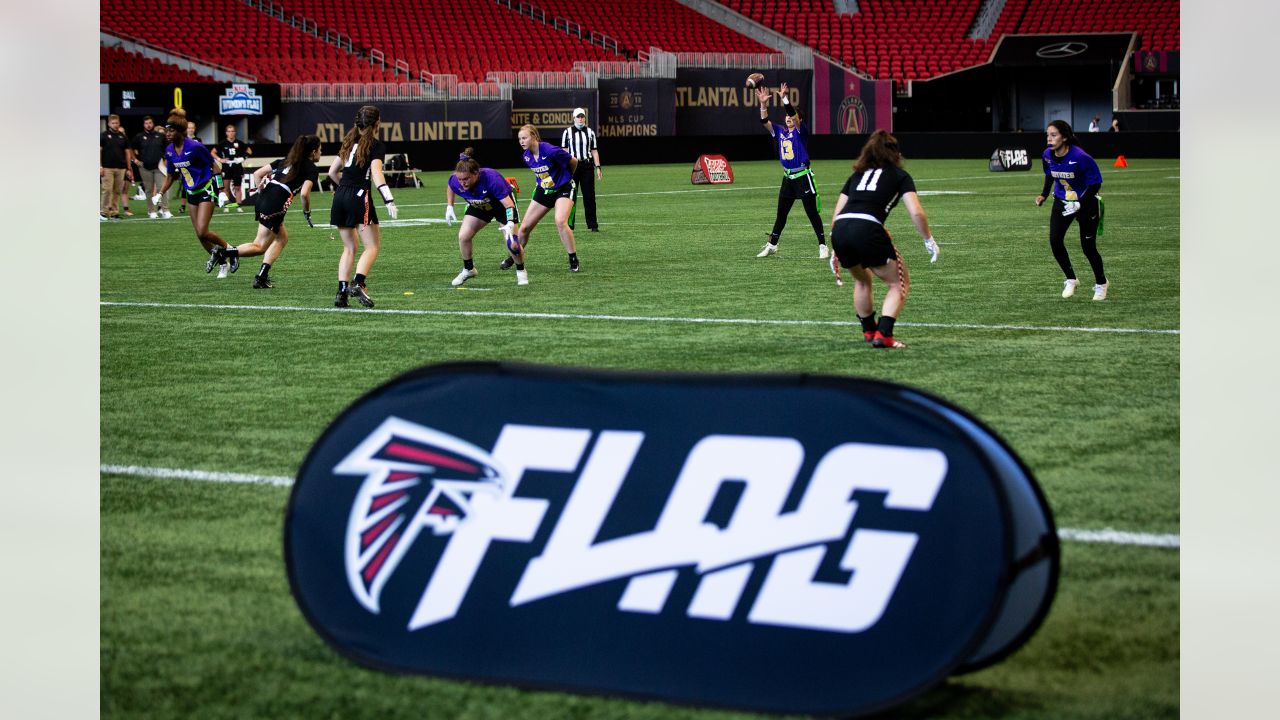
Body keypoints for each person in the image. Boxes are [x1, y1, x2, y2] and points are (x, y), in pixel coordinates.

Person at [829, 129, 939, 349]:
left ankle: (870, 331)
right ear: (895, 153)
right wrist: (928, 239)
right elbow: (916, 212)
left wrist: (836, 248)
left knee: (862, 280)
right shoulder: (900, 176)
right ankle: (884, 334)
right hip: (867, 228)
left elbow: (837, 215)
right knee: (899, 283)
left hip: (841, 229)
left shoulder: (856, 175)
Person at [207, 135, 321, 289]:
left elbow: (257, 174)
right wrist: (307, 212)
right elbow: (304, 193)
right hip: (275, 204)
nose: (320, 152)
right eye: (320, 150)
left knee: (282, 238)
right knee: (259, 246)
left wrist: (262, 193)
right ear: (313, 152)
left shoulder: (286, 160)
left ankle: (261, 277)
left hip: (265, 198)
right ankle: (224, 253)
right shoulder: (311, 168)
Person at [151, 109, 235, 277]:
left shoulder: (195, 147)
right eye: (166, 130)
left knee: (203, 231)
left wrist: (221, 191)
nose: (167, 133)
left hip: (206, 189)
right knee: (199, 235)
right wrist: (160, 193)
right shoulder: (169, 150)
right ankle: (222, 263)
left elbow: (216, 167)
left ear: (180, 132)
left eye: (171, 130)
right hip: (191, 193)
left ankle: (230, 249)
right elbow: (171, 176)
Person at [327, 105, 395, 308]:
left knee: (349, 248)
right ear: (377, 123)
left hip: (340, 197)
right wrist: (388, 198)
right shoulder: (376, 145)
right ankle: (358, 283)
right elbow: (376, 173)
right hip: (359, 196)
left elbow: (331, 172)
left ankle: (341, 293)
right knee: (372, 246)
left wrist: (344, 191)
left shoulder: (349, 142)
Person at [1035, 119, 1108, 300]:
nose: (1049, 139)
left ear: (1065, 137)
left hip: (1086, 203)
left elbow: (1095, 183)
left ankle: (1101, 283)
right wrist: (1044, 194)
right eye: (1047, 135)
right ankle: (1071, 279)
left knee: (1088, 248)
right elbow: (1049, 174)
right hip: (1061, 201)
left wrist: (1080, 203)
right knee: (1055, 240)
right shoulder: (1047, 154)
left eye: (1054, 135)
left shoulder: (1081, 157)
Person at [755, 81, 828, 259]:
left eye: (792, 117)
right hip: (788, 178)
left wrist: (785, 98)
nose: (788, 118)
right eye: (787, 117)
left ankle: (823, 245)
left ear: (798, 119)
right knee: (781, 214)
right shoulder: (780, 131)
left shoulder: (800, 131)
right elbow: (764, 121)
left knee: (812, 213)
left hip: (803, 176)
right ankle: (772, 245)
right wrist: (763, 103)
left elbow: (793, 115)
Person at [445, 148, 527, 286]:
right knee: (463, 236)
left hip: (501, 206)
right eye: (460, 179)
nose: (462, 183)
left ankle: (521, 271)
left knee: (512, 243)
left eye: (466, 179)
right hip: (480, 206)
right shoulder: (455, 180)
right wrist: (450, 206)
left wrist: (510, 223)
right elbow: (450, 186)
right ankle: (469, 269)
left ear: (476, 173)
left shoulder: (491, 179)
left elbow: (508, 204)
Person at [512, 124, 580, 273]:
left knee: (560, 221)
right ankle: (515, 255)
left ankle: (573, 259)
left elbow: (573, 161)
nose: (521, 141)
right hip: (544, 189)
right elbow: (542, 175)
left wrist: (567, 178)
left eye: (524, 138)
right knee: (524, 228)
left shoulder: (550, 151)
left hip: (563, 189)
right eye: (519, 139)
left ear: (534, 137)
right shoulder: (526, 156)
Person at [560, 107, 602, 232]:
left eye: (582, 116)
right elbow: (564, 152)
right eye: (578, 116)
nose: (580, 119)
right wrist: (563, 168)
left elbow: (594, 151)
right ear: (573, 118)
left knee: (589, 196)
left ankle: (592, 224)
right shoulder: (567, 132)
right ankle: (569, 224)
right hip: (572, 167)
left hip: (587, 166)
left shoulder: (590, 132)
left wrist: (598, 167)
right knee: (570, 197)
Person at [131, 115, 172, 219]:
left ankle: (165, 210)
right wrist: (135, 160)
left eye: (150, 123)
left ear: (153, 123)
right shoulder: (139, 137)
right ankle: (151, 211)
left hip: (159, 166)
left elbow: (168, 149)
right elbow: (131, 148)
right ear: (143, 125)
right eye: (146, 123)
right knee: (148, 190)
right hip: (145, 167)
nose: (148, 125)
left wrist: (166, 159)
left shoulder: (160, 136)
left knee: (162, 188)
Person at [212, 123, 253, 210]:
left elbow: (249, 151)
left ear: (235, 132)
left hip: (237, 166)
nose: (230, 133)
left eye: (232, 131)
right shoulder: (222, 143)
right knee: (226, 188)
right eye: (229, 131)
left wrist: (243, 158)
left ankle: (238, 206)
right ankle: (226, 206)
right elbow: (212, 152)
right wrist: (220, 159)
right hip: (227, 166)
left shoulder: (239, 143)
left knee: (237, 187)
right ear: (226, 133)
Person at [100, 114, 131, 221]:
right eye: (113, 123)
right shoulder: (103, 135)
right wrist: (100, 166)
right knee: (107, 189)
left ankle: (114, 212)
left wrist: (128, 168)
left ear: (119, 123)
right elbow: (99, 151)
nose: (115, 125)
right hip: (107, 167)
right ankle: (103, 212)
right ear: (109, 124)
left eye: (117, 123)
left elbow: (127, 153)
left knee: (117, 191)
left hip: (121, 167)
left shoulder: (123, 137)